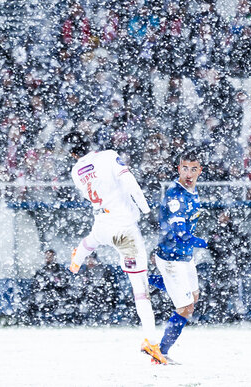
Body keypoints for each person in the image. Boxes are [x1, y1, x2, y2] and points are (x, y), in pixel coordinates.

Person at [64, 131, 165, 364]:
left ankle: (77, 258)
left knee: (93, 239)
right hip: (124, 230)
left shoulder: (75, 172)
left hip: (102, 224)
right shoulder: (108, 156)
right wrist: (146, 209)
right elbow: (128, 181)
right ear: (88, 143)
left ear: (72, 153)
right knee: (140, 288)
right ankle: (150, 341)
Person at [153, 149, 209, 363]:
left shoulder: (193, 191)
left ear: (199, 171)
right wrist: (204, 242)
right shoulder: (175, 194)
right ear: (179, 169)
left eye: (193, 169)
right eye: (185, 168)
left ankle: (150, 281)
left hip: (185, 257)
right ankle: (161, 352)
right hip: (171, 258)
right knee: (185, 308)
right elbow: (181, 232)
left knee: (193, 297)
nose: (188, 173)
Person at [27, 249, 72, 324]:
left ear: (54, 257)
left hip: (57, 295)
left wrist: (54, 287)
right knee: (33, 300)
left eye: (50, 256)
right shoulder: (41, 271)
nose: (48, 258)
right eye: (47, 256)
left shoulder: (61, 271)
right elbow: (35, 286)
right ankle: (33, 321)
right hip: (44, 295)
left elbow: (64, 284)